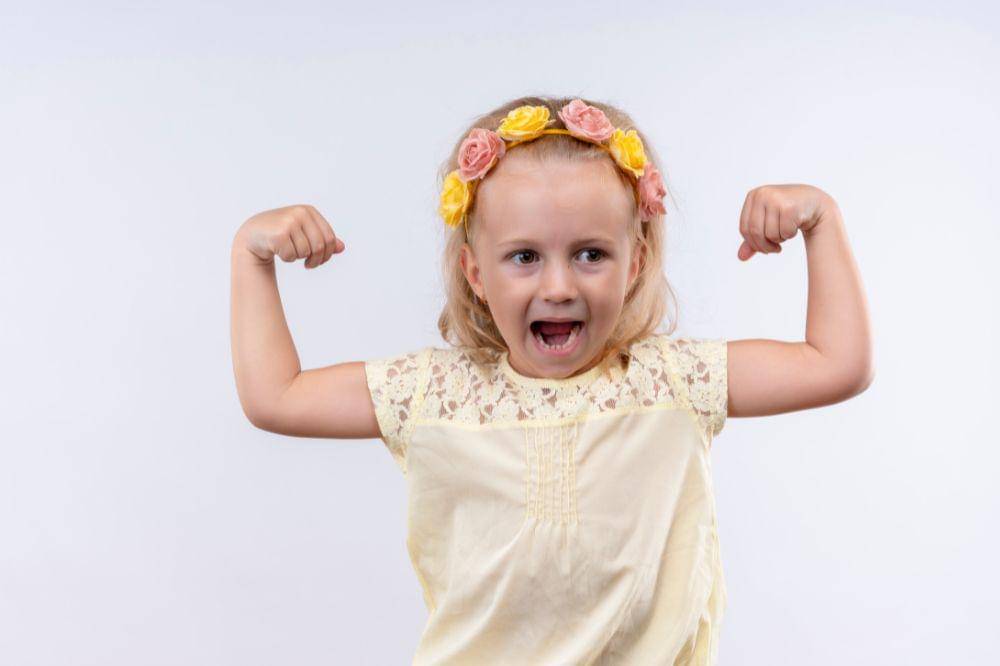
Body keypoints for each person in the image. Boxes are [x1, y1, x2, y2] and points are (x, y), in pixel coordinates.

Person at [230, 95, 874, 664]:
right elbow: (276, 396)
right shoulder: (434, 394)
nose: (559, 286)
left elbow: (835, 364)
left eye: (591, 254)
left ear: (635, 263)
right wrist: (250, 256)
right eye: (525, 257)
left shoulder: (673, 382)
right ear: (476, 273)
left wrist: (822, 221)